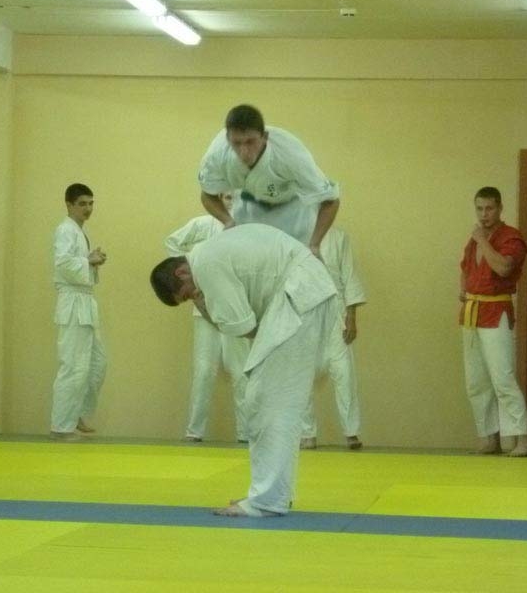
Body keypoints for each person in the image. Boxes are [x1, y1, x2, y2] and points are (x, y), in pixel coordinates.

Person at [150, 223, 339, 517]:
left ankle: (267, 500)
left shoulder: (206, 264)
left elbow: (243, 327)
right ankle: (273, 495)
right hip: (304, 294)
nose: (194, 297)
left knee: (269, 401)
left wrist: (204, 307)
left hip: (299, 297)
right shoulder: (210, 254)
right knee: (271, 401)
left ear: (182, 273)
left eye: (186, 295)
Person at [164, 192, 250, 443]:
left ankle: (246, 433)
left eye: (234, 197)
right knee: (203, 371)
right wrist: (192, 273)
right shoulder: (201, 224)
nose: (230, 202)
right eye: (226, 197)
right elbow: (172, 242)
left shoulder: (247, 227)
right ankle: (194, 431)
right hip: (204, 308)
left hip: (234, 307)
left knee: (240, 371)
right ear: (218, 198)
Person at [197, 103, 339, 252]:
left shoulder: (291, 154)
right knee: (247, 260)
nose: (244, 152)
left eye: (250, 142)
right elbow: (207, 194)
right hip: (249, 208)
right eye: (237, 143)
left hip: (292, 211)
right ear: (228, 139)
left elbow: (331, 201)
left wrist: (315, 244)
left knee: (291, 261)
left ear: (265, 137)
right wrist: (227, 221)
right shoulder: (217, 154)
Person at [459, 186, 527, 457]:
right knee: (476, 381)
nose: (484, 214)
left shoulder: (511, 237)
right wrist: (464, 290)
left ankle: (522, 439)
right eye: (479, 209)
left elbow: (503, 267)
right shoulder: (474, 241)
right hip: (472, 311)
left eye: (489, 208)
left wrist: (482, 241)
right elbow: (465, 269)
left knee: (503, 378)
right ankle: (489, 437)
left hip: (496, 309)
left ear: (500, 208)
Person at [300, 226, 366, 450]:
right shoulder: (293, 234)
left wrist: (352, 317)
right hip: (303, 312)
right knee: (302, 375)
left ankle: (351, 432)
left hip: (335, 311)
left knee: (344, 373)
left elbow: (349, 276)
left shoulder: (339, 238)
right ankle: (307, 433)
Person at [50, 183, 108, 441]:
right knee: (73, 366)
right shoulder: (65, 230)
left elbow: (77, 264)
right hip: (72, 303)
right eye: (82, 203)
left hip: (85, 302)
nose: (88, 208)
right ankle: (60, 427)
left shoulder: (80, 232)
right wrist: (88, 261)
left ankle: (78, 414)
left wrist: (91, 258)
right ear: (69, 205)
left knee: (97, 365)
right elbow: (62, 264)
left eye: (91, 203)